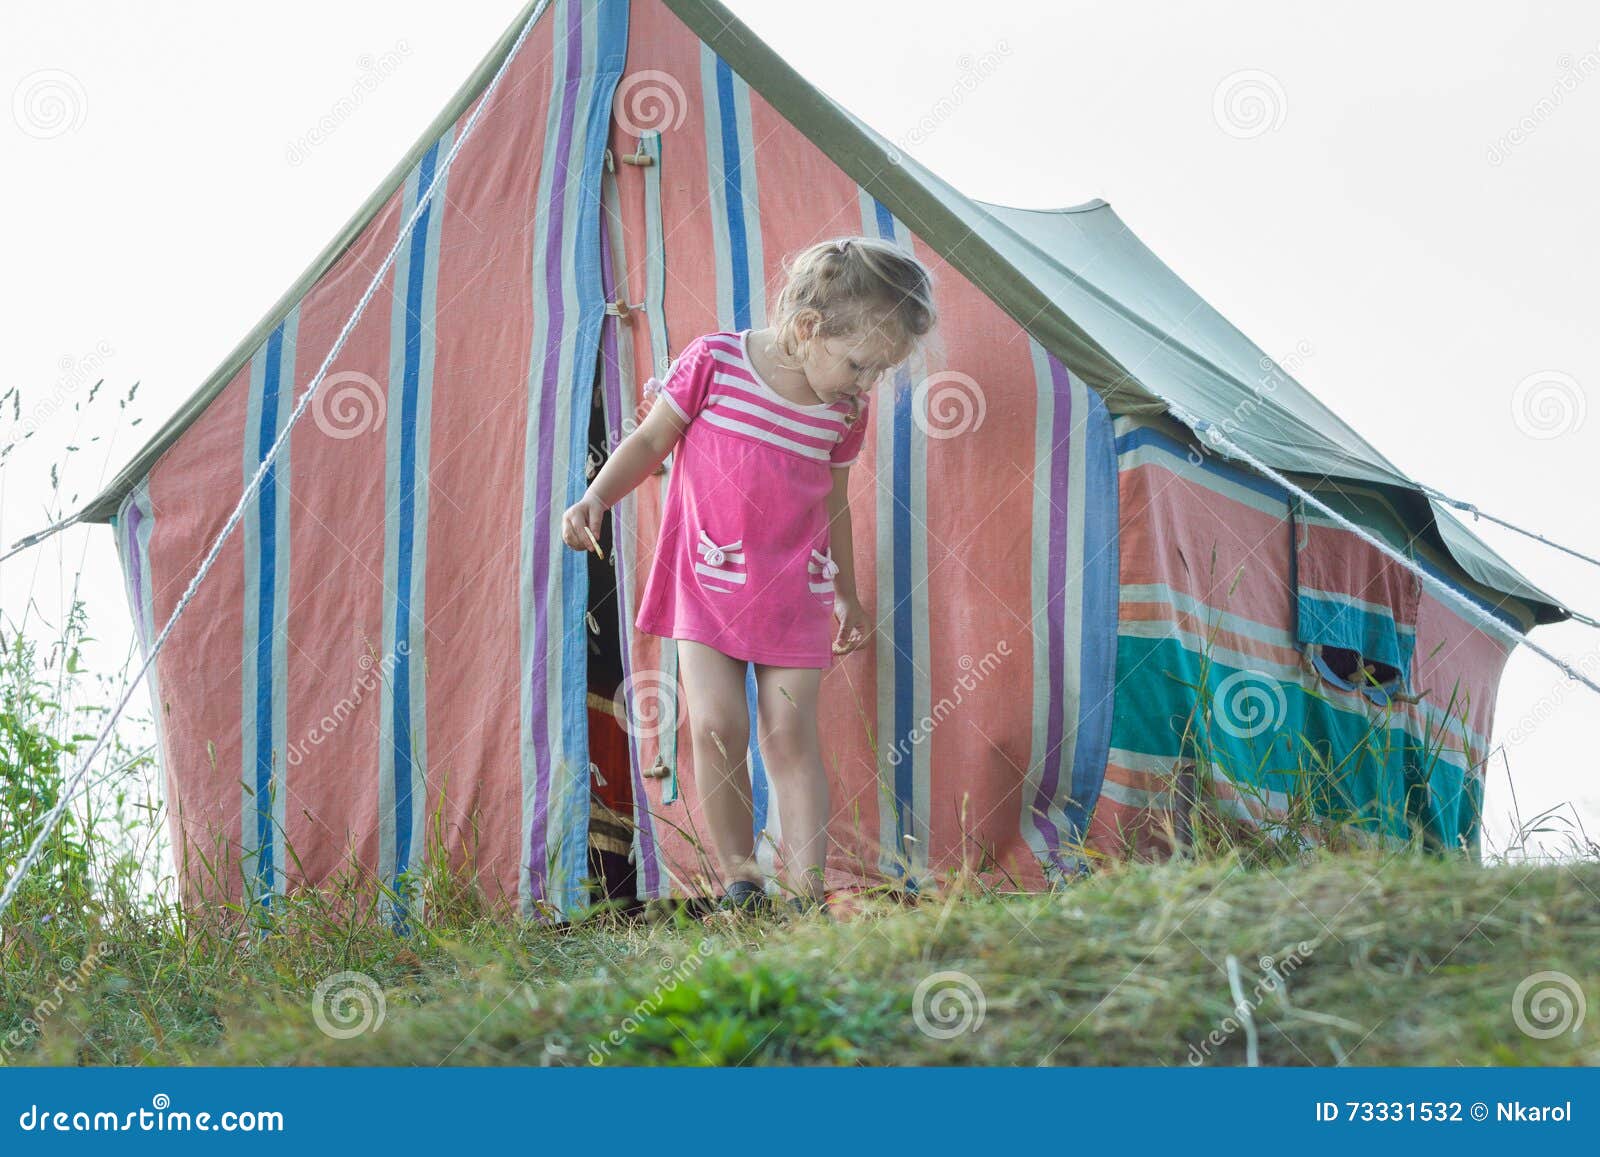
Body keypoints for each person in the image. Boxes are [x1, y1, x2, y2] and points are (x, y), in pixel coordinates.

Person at [561, 236, 937, 915]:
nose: (866, 383)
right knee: (714, 723)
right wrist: (596, 497)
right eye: (860, 364)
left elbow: (833, 498)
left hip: (797, 587)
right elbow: (650, 441)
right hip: (706, 578)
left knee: (790, 732)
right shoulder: (716, 361)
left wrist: (847, 591)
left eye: (879, 373)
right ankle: (740, 881)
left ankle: (806, 891)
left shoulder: (843, 409)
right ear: (807, 327)